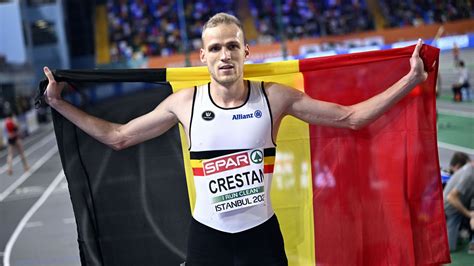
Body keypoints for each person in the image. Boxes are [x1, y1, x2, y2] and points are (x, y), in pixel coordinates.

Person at [43, 13, 430, 265]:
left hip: (260, 240)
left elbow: (350, 118)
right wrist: (59, 105)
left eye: (231, 46)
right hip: (207, 240)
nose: (224, 54)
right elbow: (118, 137)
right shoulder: (184, 104)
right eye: (215, 48)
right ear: (202, 57)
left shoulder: (274, 97)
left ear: (245, 51)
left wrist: (411, 80)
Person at [443, 161, 474, 253]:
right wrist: (469, 214)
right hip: (451, 209)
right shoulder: (468, 176)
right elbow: (451, 197)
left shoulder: (469, 167)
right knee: (448, 248)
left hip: (459, 205)